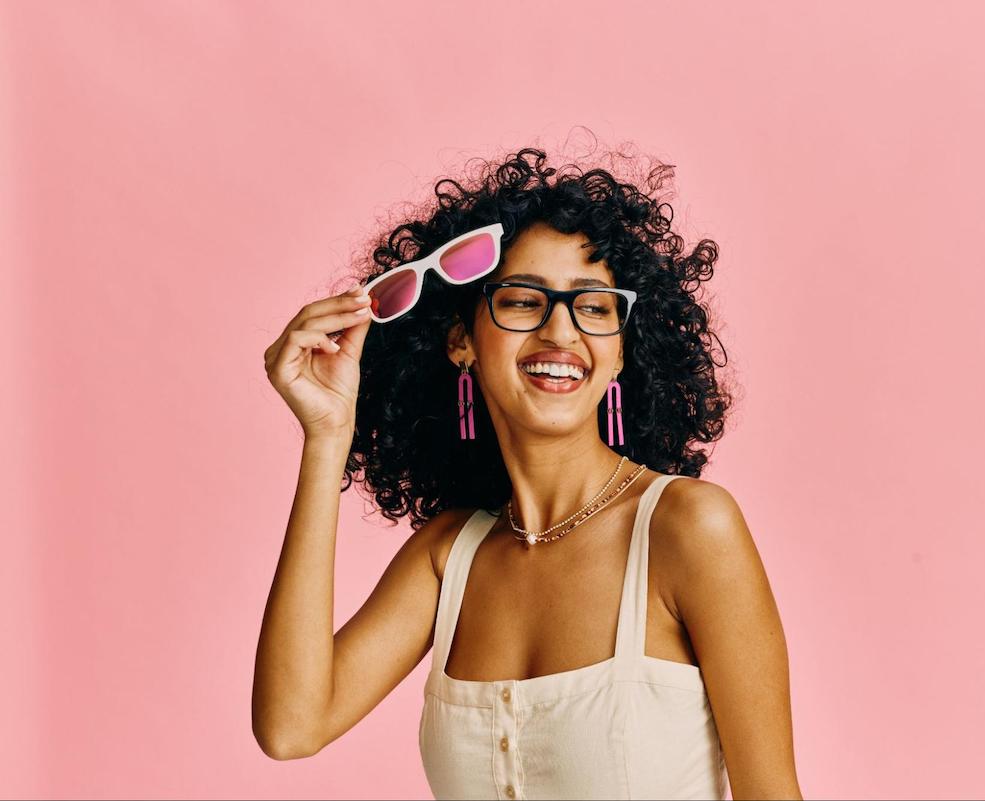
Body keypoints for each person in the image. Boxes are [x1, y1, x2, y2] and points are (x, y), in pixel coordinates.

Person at [253, 145, 804, 800]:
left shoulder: (688, 529)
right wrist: (326, 437)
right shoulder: (449, 556)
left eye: (593, 306)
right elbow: (292, 725)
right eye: (522, 300)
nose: (560, 332)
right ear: (461, 339)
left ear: (623, 348)